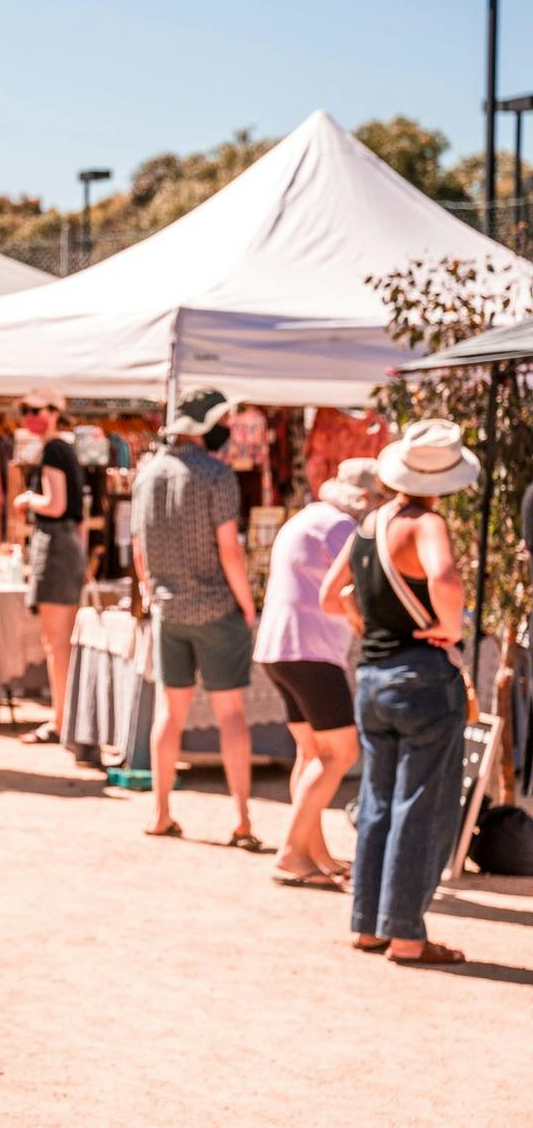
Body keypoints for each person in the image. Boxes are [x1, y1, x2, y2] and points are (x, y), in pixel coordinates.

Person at [320, 420, 478, 966]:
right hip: (421, 679)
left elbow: (331, 595)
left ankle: (368, 925)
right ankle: (407, 934)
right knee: (421, 807)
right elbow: (447, 579)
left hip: (372, 676)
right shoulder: (426, 522)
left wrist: (367, 626)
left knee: (379, 802)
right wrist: (451, 627)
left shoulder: (370, 522)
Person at [132, 388, 261, 847]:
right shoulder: (217, 476)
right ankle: (242, 819)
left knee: (170, 711)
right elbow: (230, 550)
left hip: (169, 608)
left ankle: (161, 811)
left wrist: (152, 594)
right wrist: (247, 605)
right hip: (215, 608)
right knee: (231, 715)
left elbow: (139, 549)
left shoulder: (147, 475)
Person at [256, 458, 378, 887]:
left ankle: (312, 851)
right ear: (365, 498)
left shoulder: (307, 517)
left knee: (311, 754)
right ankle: (291, 854)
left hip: (280, 648)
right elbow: (357, 589)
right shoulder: (342, 527)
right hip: (311, 650)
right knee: (339, 754)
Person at [14, 387, 87, 745]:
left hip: (57, 544)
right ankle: (64, 719)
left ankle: (61, 723)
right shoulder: (65, 449)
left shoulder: (54, 450)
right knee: (60, 642)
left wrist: (27, 498)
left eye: (36, 410)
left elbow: (56, 505)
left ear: (55, 412)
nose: (30, 417)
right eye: (25, 410)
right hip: (66, 544)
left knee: (57, 643)